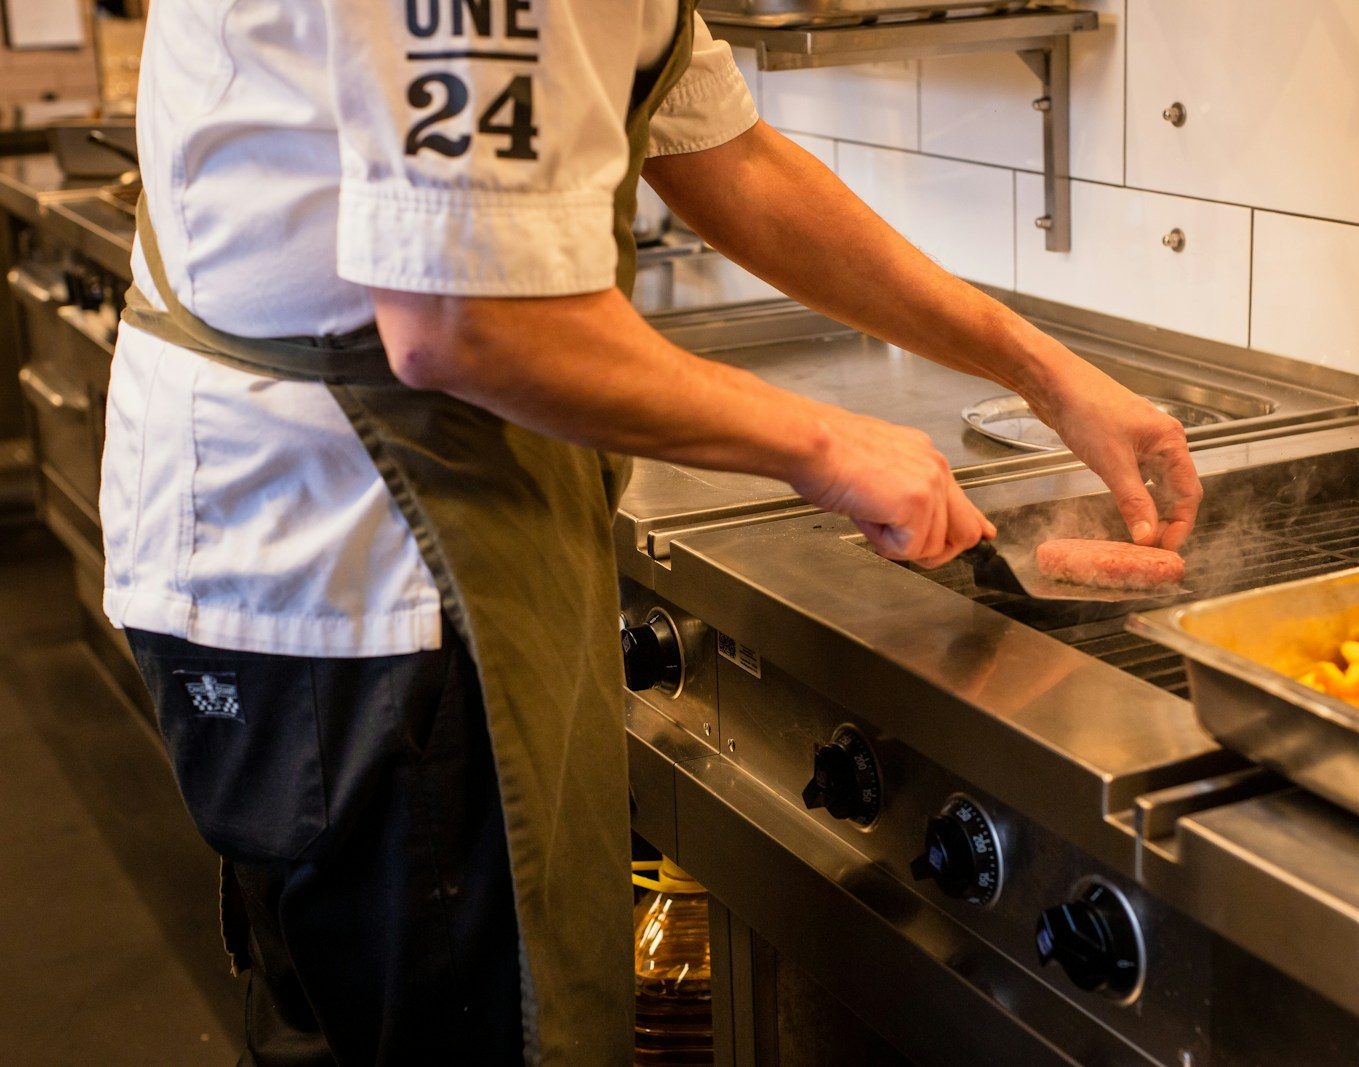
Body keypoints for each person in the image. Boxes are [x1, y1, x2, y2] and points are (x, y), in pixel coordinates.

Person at [103, 1, 1202, 1063]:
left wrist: (1042, 369)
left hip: (360, 556)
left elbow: (732, 159)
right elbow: (461, 321)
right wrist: (825, 444)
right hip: (351, 572)